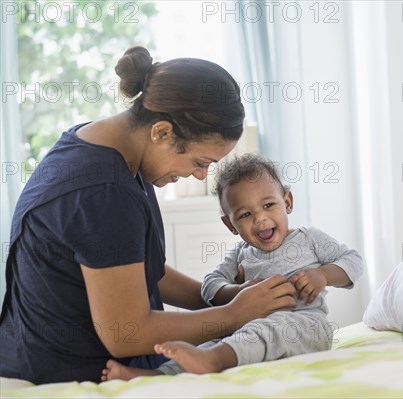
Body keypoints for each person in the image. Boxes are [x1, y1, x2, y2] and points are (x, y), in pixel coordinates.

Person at [0, 46, 297, 384]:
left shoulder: (108, 146)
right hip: (67, 371)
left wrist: (220, 296)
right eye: (200, 163)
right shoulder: (102, 192)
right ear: (162, 132)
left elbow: (132, 270)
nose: (200, 176)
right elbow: (125, 332)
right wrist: (232, 315)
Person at [102, 153, 364, 380]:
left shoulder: (309, 239)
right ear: (230, 225)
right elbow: (210, 286)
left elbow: (353, 260)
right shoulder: (240, 253)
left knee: (265, 329)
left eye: (268, 205)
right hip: (248, 329)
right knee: (211, 341)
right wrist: (236, 293)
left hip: (305, 327)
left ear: (288, 202)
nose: (260, 219)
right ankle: (156, 376)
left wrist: (323, 275)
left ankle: (213, 361)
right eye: (245, 215)